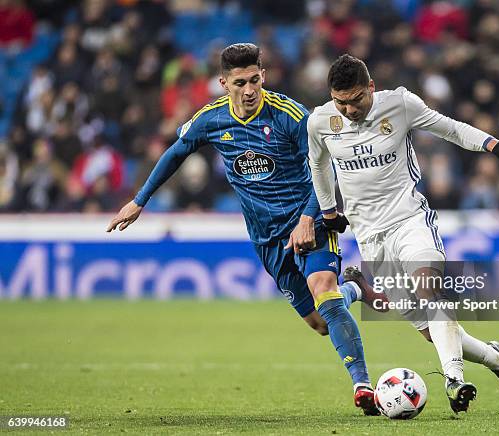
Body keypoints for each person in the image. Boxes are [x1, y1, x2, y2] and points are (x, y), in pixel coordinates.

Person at [106, 44, 384, 415]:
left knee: (322, 289)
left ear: (263, 76)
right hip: (266, 237)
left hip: (307, 219)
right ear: (223, 83)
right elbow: (176, 151)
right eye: (240, 83)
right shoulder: (212, 119)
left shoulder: (289, 116)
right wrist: (139, 200)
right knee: (320, 322)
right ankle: (355, 288)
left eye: (255, 80)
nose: (249, 90)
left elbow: (326, 168)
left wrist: (307, 218)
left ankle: (362, 385)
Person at [308, 54, 499, 413]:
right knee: (431, 332)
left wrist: (497, 147)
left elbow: (451, 128)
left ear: (371, 88)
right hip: (370, 236)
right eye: (341, 102)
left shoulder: (399, 104)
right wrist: (330, 211)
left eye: (356, 100)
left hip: (409, 219)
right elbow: (317, 165)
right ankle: (495, 359)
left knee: (429, 287)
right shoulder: (320, 122)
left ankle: (453, 379)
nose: (349, 110)